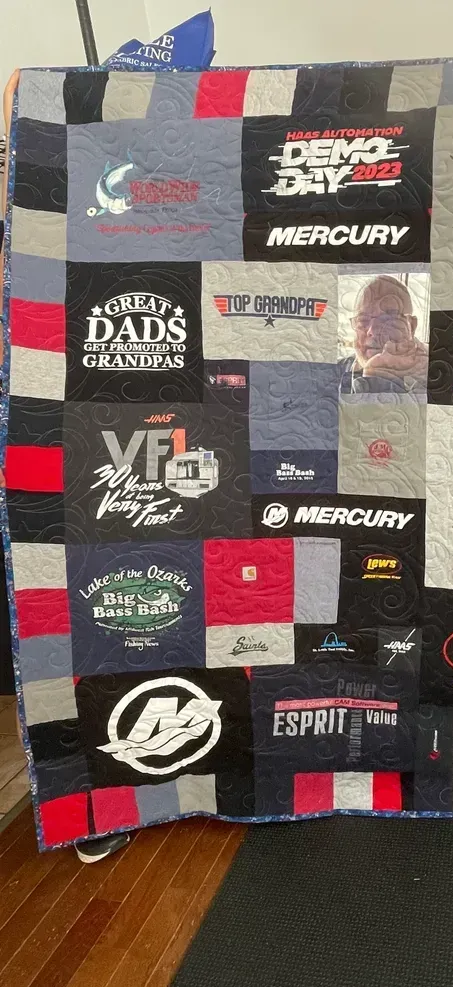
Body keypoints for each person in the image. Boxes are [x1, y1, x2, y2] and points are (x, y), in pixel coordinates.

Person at [2, 68, 129, 862]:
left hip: (106, 419)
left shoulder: (88, 208)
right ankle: (98, 792)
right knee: (85, 613)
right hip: (56, 437)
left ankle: (105, 790)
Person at [338, 274, 428, 393]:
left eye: (387, 319)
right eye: (363, 320)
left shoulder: (431, 376)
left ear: (411, 326)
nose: (372, 332)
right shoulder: (333, 371)